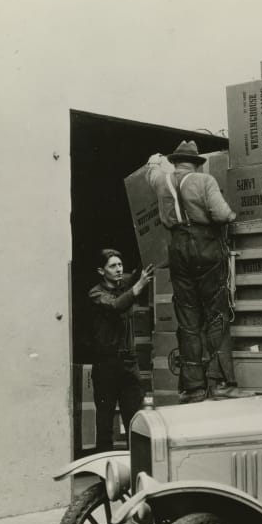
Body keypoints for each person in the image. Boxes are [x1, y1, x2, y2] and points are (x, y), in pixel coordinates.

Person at [147, 140, 248, 403]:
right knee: (216, 314)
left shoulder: (162, 181)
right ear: (195, 163)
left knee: (187, 318)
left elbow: (152, 172)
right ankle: (221, 383)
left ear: (175, 161)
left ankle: (193, 389)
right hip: (205, 246)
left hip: (177, 248)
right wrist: (233, 214)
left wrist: (155, 161)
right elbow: (222, 214)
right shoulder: (205, 182)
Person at [88, 248, 155, 451]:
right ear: (101, 271)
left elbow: (139, 272)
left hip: (128, 363)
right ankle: (106, 478)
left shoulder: (123, 283)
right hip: (106, 365)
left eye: (120, 265)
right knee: (105, 424)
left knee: (134, 421)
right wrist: (140, 284)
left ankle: (135, 473)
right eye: (113, 266)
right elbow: (117, 305)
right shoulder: (96, 293)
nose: (118, 269)